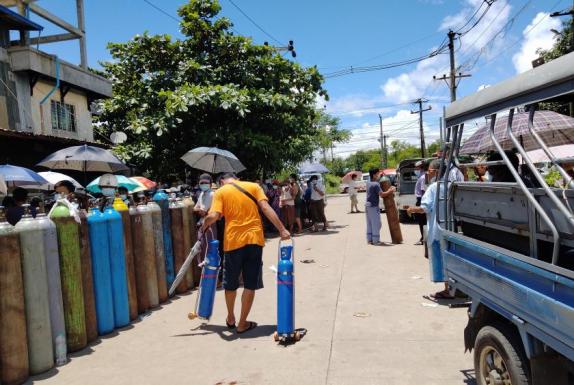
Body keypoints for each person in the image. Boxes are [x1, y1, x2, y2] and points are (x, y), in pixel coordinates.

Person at [200, 173, 290, 334]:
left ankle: (230, 318)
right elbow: (265, 207)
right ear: (237, 179)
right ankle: (242, 323)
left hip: (233, 242)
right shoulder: (254, 186)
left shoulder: (221, 192)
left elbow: (214, 216)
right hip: (254, 240)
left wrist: (203, 225)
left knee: (231, 282)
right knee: (250, 283)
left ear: (221, 182)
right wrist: (282, 230)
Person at [407, 160, 453, 299]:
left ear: (437, 172)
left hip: (438, 230)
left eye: (431, 170)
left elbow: (425, 207)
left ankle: (448, 290)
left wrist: (411, 209)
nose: (428, 173)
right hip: (452, 229)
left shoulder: (434, 187)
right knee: (451, 259)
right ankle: (454, 288)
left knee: (443, 260)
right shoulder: (453, 185)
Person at [365, 168, 396, 245]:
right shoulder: (376, 184)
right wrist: (390, 191)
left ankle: (370, 240)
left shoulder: (368, 183)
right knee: (377, 223)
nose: (379, 175)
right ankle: (376, 240)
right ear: (374, 175)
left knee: (369, 223)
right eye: (377, 174)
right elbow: (382, 195)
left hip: (367, 206)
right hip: (373, 206)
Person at [413, 161, 427, 245]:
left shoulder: (423, 177)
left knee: (422, 221)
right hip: (420, 199)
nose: (416, 170)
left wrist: (422, 203)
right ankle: (423, 237)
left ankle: (423, 238)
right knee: (422, 221)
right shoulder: (422, 176)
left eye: (417, 168)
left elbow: (423, 190)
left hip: (421, 200)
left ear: (421, 168)